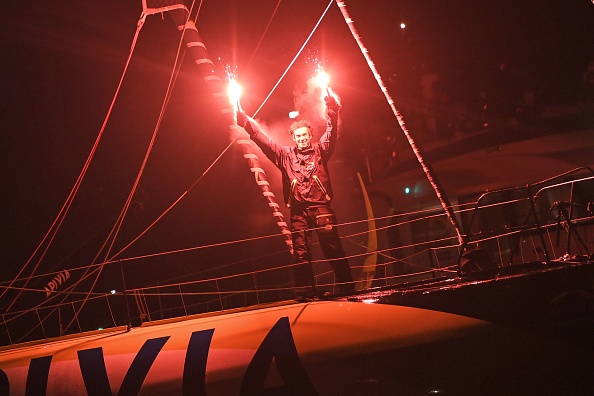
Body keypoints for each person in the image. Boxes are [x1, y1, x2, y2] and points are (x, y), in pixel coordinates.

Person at [236, 95, 355, 300]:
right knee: (301, 255)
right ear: (293, 138)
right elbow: (264, 141)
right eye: (297, 136)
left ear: (309, 135)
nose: (301, 139)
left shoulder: (321, 150)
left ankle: (349, 289)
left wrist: (333, 110)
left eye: (304, 135)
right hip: (298, 212)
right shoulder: (284, 155)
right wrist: (246, 122)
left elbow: (331, 132)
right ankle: (306, 293)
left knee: (333, 249)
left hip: (321, 208)